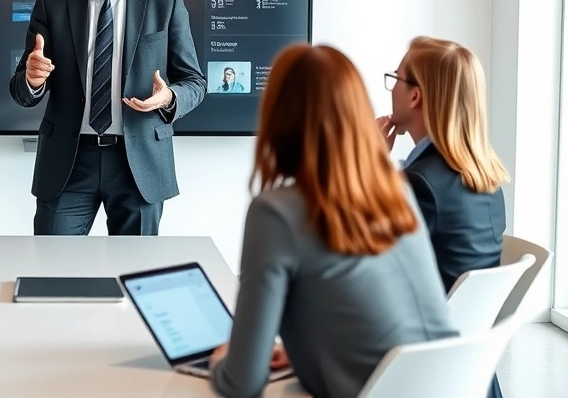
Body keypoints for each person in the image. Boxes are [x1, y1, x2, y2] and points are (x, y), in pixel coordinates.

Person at [208, 44, 458, 398]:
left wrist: (221, 361)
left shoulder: (276, 212)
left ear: (278, 116)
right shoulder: (396, 191)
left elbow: (242, 383)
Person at [9, 0, 206, 236]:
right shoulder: (51, 1)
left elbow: (194, 82)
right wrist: (32, 79)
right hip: (69, 162)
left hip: (139, 161)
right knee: (54, 270)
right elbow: (22, 90)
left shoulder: (166, 0)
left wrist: (169, 98)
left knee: (137, 274)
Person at [377, 36, 510, 398]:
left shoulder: (421, 183)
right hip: (472, 371)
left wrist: (368, 162)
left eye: (396, 79)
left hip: (420, 368)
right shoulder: (487, 178)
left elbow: (360, 262)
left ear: (415, 96)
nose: (392, 89)